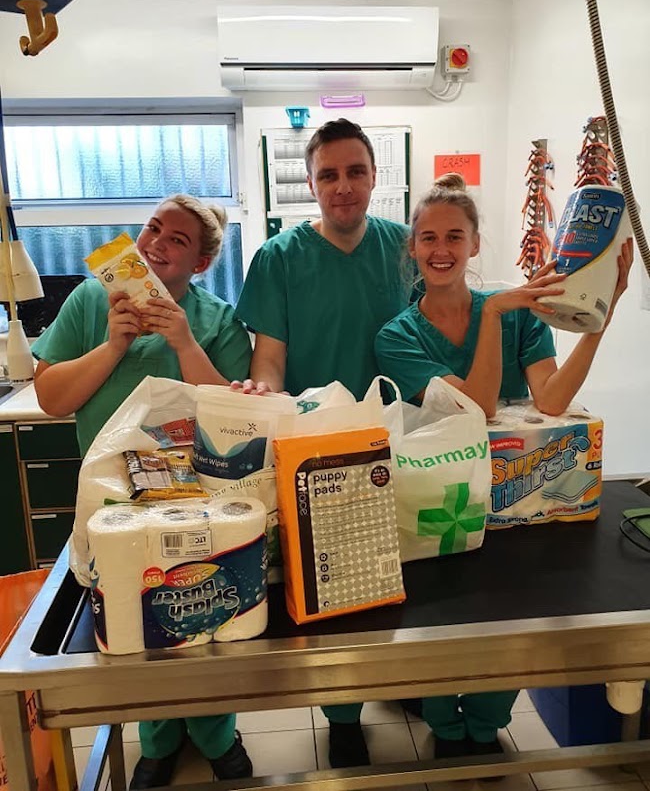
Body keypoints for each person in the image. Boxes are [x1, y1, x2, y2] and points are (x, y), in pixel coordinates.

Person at [375, 173, 633, 759]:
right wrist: (491, 316)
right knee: (441, 622)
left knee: (509, 620)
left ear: (473, 243)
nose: (442, 250)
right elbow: (477, 407)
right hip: (441, 502)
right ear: (412, 248)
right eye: (429, 238)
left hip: (520, 497)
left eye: (455, 237)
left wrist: (601, 317)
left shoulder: (519, 314)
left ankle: (485, 725)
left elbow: (551, 400)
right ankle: (444, 728)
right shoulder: (397, 336)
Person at [32, 194, 254, 790]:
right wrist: (112, 345)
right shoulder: (90, 300)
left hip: (196, 500)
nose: (156, 242)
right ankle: (156, 735)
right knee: (130, 620)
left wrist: (184, 343)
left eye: (177, 239)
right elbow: (53, 397)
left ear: (200, 264)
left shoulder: (216, 322)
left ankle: (215, 733)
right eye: (153, 228)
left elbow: (231, 418)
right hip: (113, 506)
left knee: (199, 612)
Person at [235, 118, 412, 766]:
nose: (343, 186)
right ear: (310, 184)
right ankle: (342, 712)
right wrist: (266, 413)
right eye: (329, 175)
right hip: (318, 456)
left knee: (400, 570)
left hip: (400, 448)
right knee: (333, 586)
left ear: (374, 177)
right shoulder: (280, 259)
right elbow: (270, 362)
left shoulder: (402, 247)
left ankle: (400, 686)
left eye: (355, 172)